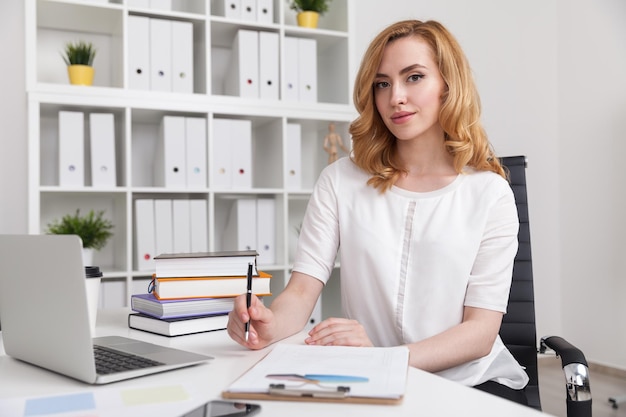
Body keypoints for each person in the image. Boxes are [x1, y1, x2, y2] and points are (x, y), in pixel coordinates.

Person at [227, 19, 530, 405]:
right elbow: (301, 291)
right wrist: (267, 325)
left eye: (414, 77)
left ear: (448, 86)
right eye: (382, 83)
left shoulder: (489, 193)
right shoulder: (340, 181)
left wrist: (383, 361)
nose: (395, 97)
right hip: (365, 377)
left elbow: (479, 333)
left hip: (464, 383)